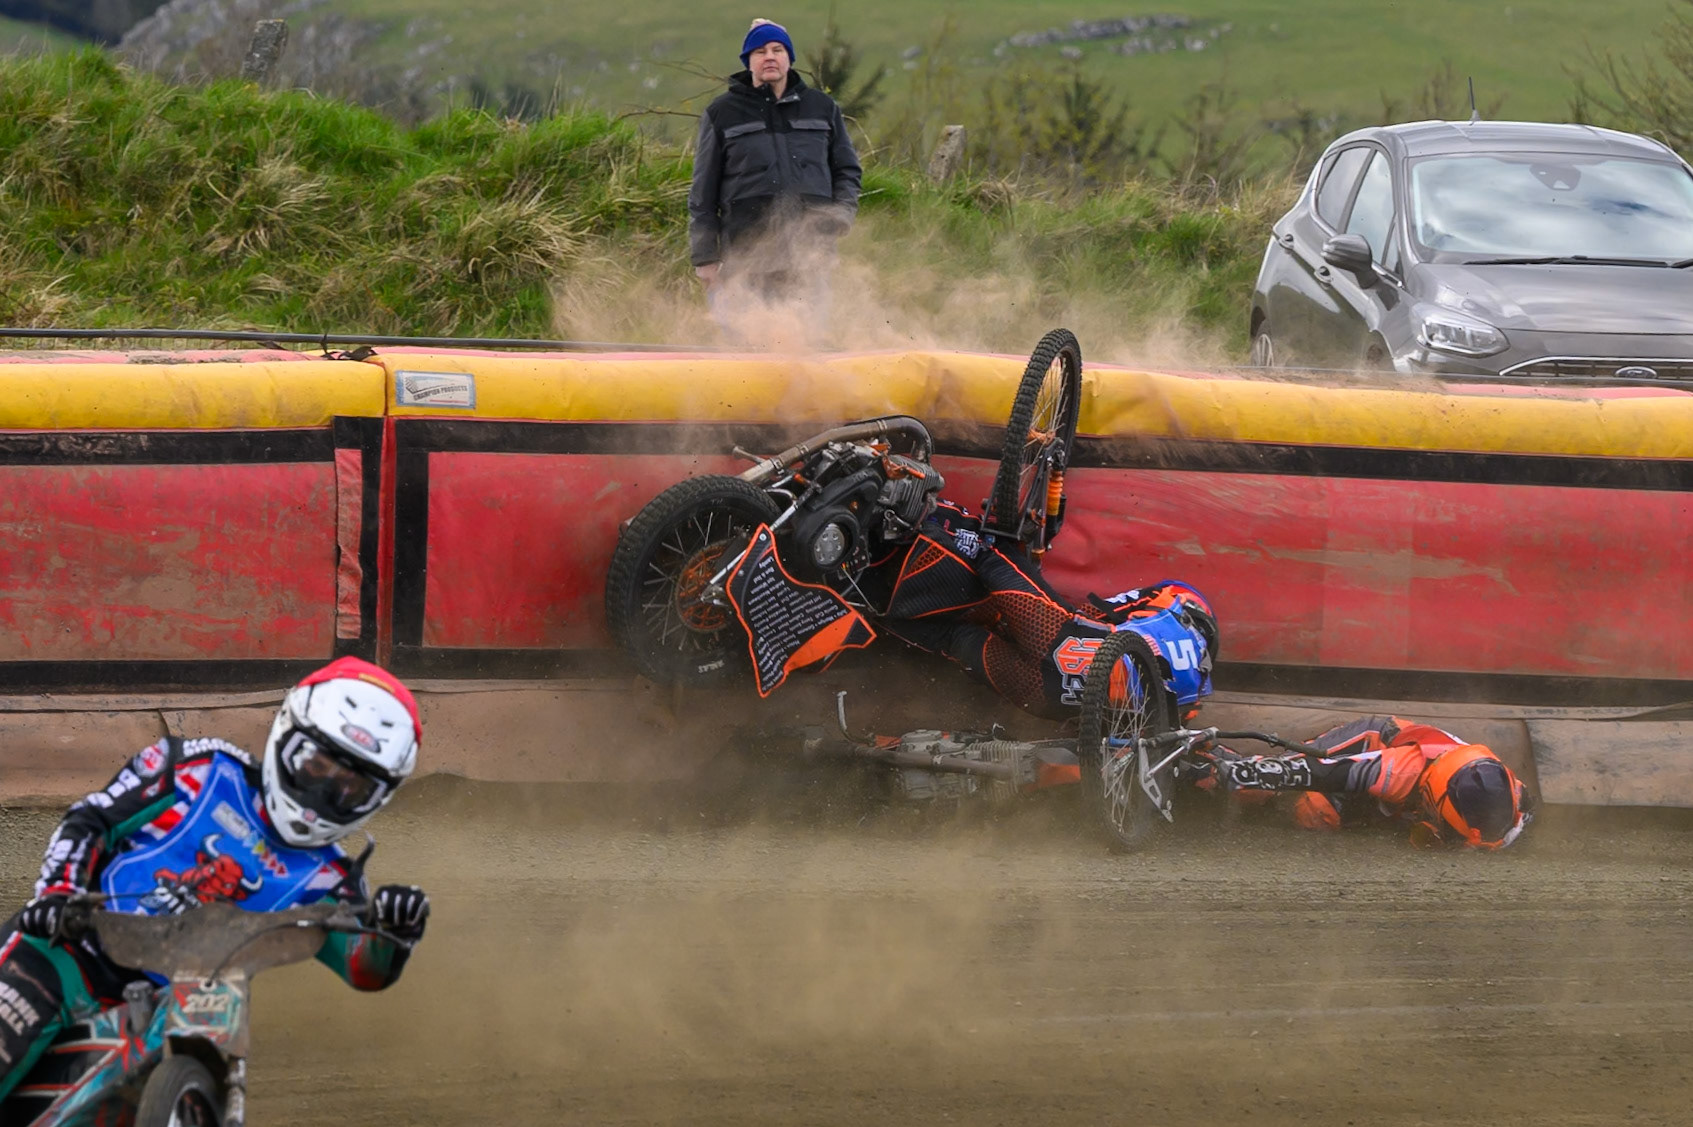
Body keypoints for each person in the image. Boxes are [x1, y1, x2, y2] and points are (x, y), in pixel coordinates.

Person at [0, 656, 432, 1101]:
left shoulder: (334, 880)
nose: (323, 792)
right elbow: (92, 819)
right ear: (287, 735)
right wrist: (57, 892)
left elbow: (363, 967)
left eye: (350, 787)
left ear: (378, 797)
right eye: (315, 766)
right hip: (64, 954)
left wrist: (397, 932)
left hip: (168, 1010)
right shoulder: (197, 769)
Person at [862, 498, 1218, 720]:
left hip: (1065, 645)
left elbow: (1098, 613)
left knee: (994, 553)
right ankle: (866, 606)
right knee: (953, 639)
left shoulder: (1177, 605)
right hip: (1046, 699)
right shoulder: (1195, 694)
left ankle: (917, 526)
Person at [688, 17, 862, 338]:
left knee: (806, 345)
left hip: (811, 254)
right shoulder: (721, 113)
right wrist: (705, 257)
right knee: (748, 351)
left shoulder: (822, 108)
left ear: (789, 58)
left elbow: (848, 171)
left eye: (777, 49)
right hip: (746, 256)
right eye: (759, 51)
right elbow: (702, 195)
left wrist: (840, 216)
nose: (769, 56)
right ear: (748, 62)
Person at [1212, 714, 1535, 849]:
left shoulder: (1511, 802)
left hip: (1391, 801)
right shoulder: (1399, 771)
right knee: (1298, 803)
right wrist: (1251, 775)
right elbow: (1324, 771)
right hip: (1369, 745)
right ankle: (1204, 758)